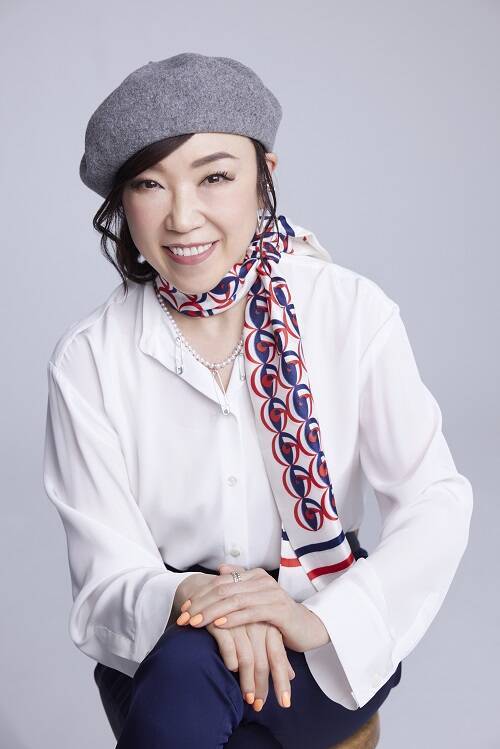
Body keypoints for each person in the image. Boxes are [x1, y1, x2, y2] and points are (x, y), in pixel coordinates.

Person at [42, 53, 473, 748]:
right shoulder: (89, 357)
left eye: (215, 176)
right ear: (122, 202)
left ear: (264, 175)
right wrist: (196, 597)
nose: (183, 216)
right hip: (167, 629)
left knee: (187, 692)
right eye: (150, 184)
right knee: (186, 666)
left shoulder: (350, 312)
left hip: (320, 620)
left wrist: (320, 618)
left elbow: (435, 500)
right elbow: (105, 571)